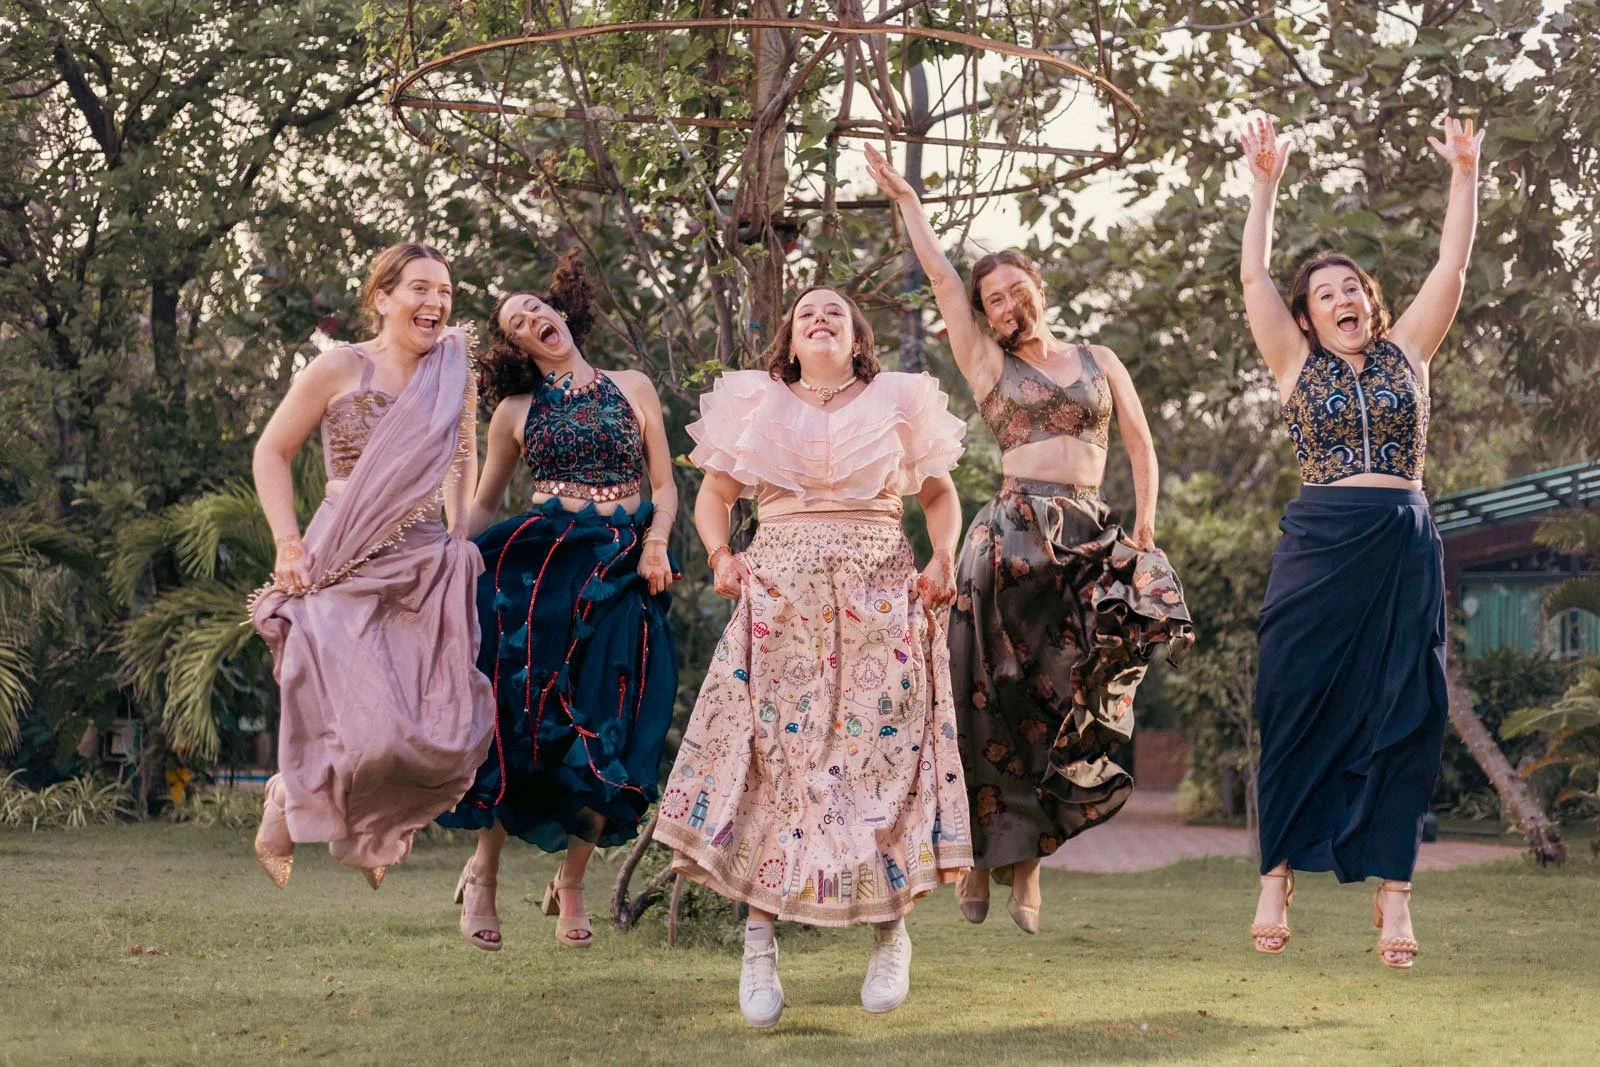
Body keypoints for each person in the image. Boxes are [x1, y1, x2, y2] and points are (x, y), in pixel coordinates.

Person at [865, 144, 1194, 933]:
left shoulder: (1098, 358)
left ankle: (1031, 866)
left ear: (1038, 288)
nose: (1007, 303)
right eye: (994, 298)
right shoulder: (985, 362)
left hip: (1084, 539)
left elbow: (1142, 444)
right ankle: (982, 855)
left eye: (1017, 288)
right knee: (989, 701)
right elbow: (944, 280)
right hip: (1010, 540)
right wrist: (910, 205)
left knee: (1069, 700)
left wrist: (1145, 520)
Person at [655, 286, 973, 1027]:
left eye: (834, 310)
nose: (820, 317)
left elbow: (939, 495)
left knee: (880, 759)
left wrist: (944, 556)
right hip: (783, 600)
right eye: (806, 313)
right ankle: (758, 943)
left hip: (879, 597)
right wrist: (719, 552)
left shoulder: (898, 399)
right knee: (775, 758)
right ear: (791, 342)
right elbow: (716, 496)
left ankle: (890, 933)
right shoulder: (758, 402)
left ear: (858, 336)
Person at [1238, 113, 1484, 968]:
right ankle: (1277, 874)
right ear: (1306, 318)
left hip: (1403, 540)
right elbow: (1254, 274)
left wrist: (1464, 173)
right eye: (1326, 294)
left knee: (1408, 707)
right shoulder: (1292, 365)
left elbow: (1451, 265)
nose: (1343, 298)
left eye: (1353, 288)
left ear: (1370, 304)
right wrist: (1264, 187)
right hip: (1322, 536)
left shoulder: (1409, 353)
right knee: (1289, 694)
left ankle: (1395, 898)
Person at [436, 250, 680, 952]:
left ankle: (570, 883)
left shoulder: (632, 384)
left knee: (619, 724)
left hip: (628, 568)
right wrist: (447, 558)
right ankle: (482, 870)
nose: (534, 317)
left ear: (561, 313)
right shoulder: (514, 411)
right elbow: (483, 502)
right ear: (514, 346)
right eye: (518, 321)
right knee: (522, 720)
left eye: (536, 306)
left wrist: (659, 541)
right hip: (542, 570)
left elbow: (664, 485)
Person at [249, 242, 494, 890]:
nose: (436, 302)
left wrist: (457, 530)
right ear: (382, 298)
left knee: (433, 729)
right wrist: (287, 542)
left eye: (445, 291)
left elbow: (462, 453)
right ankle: (290, 800)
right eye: (420, 287)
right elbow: (271, 452)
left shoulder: (453, 373)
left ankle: (365, 825)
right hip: (341, 558)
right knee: (361, 716)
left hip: (420, 563)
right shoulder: (338, 368)